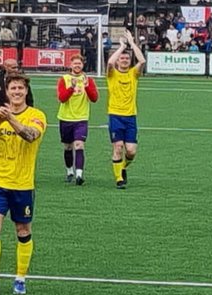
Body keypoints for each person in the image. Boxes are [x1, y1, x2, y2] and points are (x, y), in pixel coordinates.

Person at [0, 75, 45, 295]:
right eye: (13, 88)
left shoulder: (36, 116)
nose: (16, 92)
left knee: (22, 230)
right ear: (7, 92)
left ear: (26, 92)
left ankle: (20, 278)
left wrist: (11, 119)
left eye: (20, 88)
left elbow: (30, 136)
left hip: (23, 184)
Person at [106, 32, 145, 190]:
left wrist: (131, 42)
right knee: (118, 147)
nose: (124, 60)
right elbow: (109, 63)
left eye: (127, 58)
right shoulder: (112, 74)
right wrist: (121, 47)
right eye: (122, 58)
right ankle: (119, 179)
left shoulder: (133, 74)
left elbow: (142, 60)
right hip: (115, 115)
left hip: (131, 117)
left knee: (131, 151)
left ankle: (123, 167)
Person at [56, 54, 99, 186]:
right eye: (75, 63)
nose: (77, 66)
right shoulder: (64, 79)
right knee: (68, 147)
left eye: (79, 64)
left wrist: (86, 86)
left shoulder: (88, 80)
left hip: (81, 118)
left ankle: (79, 174)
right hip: (66, 118)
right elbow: (62, 98)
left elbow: (94, 98)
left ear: (83, 65)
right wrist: (71, 88)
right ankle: (69, 171)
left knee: (79, 144)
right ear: (70, 65)